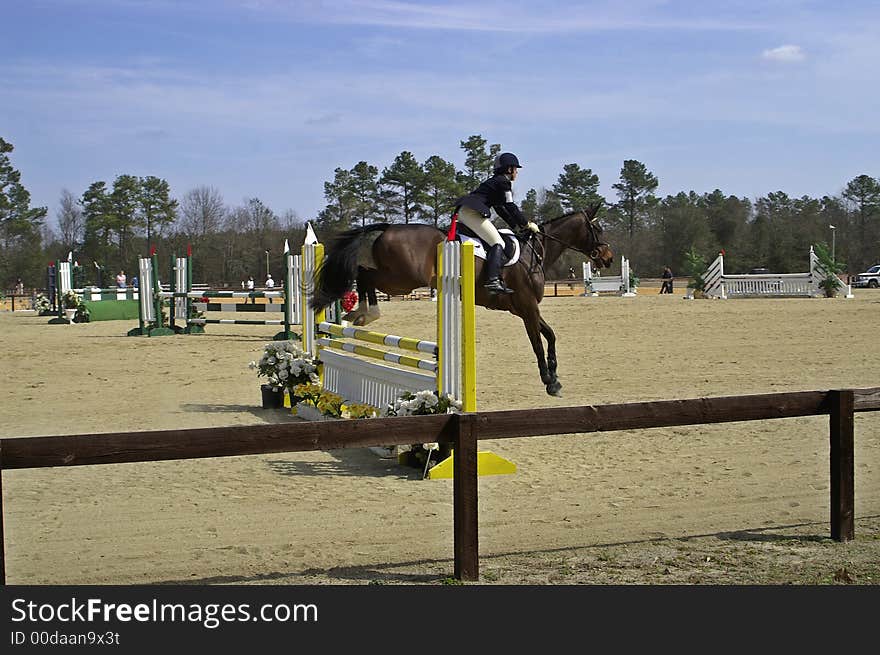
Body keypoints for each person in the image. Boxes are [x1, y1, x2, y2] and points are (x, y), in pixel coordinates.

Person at [454, 152, 539, 295]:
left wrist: (515, 227)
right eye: (515, 169)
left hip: (466, 211)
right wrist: (526, 224)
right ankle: (493, 280)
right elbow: (511, 206)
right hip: (471, 213)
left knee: (495, 240)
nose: (517, 173)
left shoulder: (496, 181)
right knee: (498, 242)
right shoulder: (503, 182)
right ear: (509, 169)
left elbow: (500, 209)